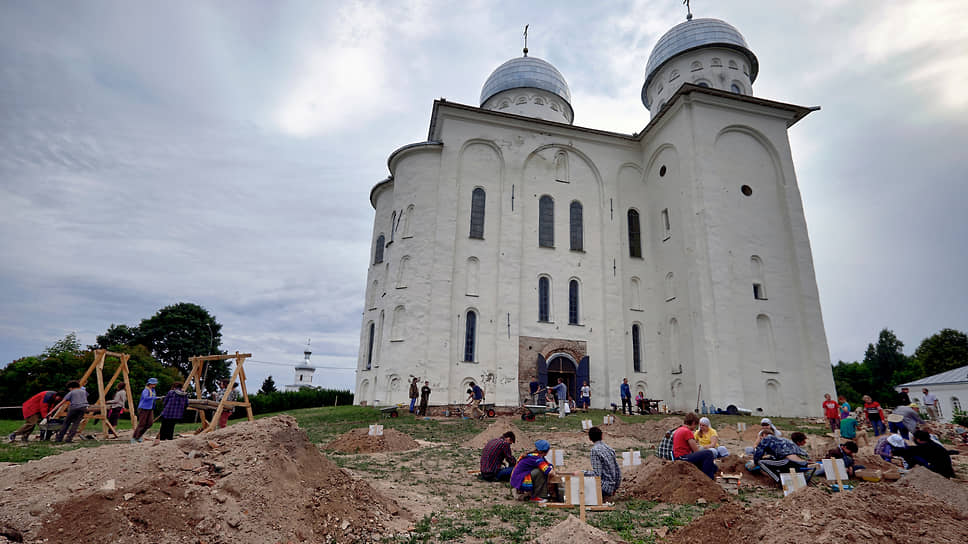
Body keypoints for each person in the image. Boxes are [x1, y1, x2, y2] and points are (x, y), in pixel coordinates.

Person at [747, 431, 815, 484]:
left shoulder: (766, 440)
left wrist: (755, 462)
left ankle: (778, 480)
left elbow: (758, 454)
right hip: (802, 463)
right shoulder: (784, 440)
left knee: (760, 462)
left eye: (759, 438)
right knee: (774, 461)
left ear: (763, 436)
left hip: (789, 462)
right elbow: (804, 454)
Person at [672, 412, 717, 480]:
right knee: (708, 454)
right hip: (683, 457)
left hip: (678, 456)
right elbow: (696, 450)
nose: (696, 427)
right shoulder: (687, 432)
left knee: (713, 467)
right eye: (696, 425)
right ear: (693, 423)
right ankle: (707, 479)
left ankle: (711, 473)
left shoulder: (679, 430)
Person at [586, 426, 621, 500]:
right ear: (602, 436)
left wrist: (582, 473)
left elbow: (597, 474)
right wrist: (615, 487)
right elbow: (617, 471)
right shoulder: (610, 449)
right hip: (611, 487)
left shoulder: (594, 451)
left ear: (589, 438)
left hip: (603, 488)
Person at [131, 378, 158, 443]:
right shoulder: (146, 390)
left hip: (150, 408)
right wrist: (156, 398)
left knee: (149, 423)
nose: (154, 385)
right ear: (150, 384)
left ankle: (139, 435)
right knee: (142, 424)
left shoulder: (153, 390)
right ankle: (134, 438)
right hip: (143, 408)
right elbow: (146, 397)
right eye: (153, 383)